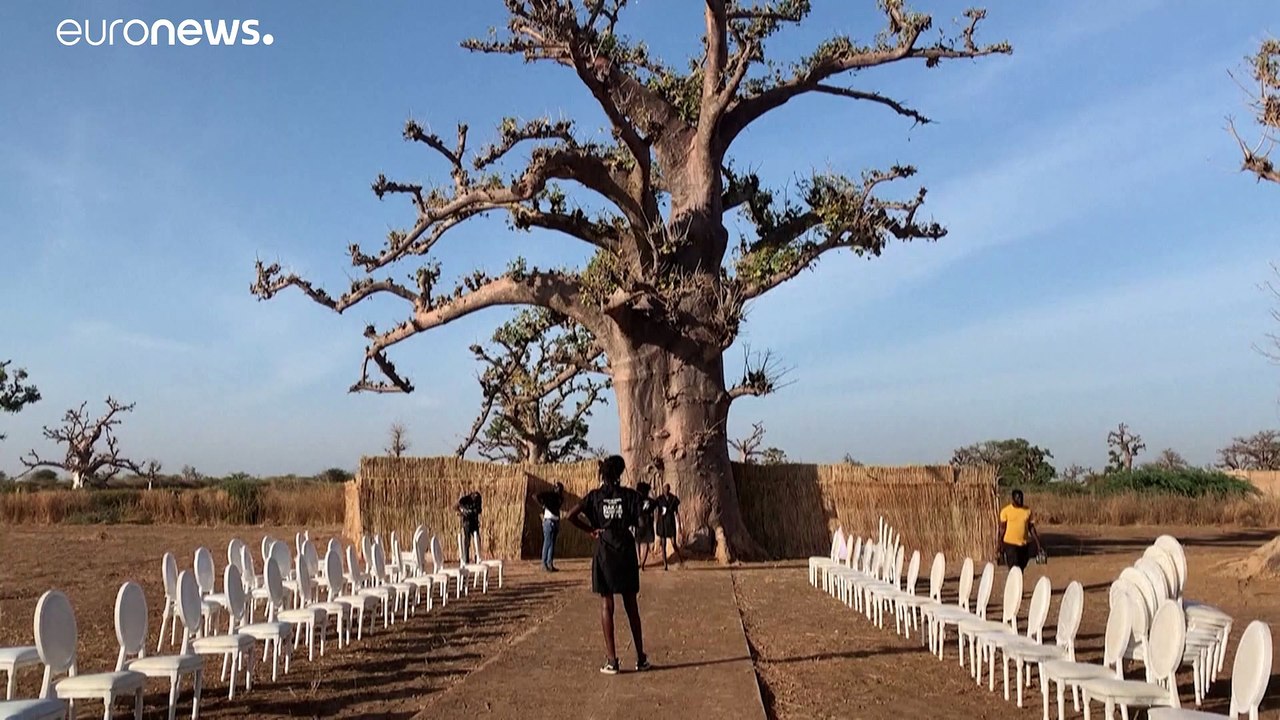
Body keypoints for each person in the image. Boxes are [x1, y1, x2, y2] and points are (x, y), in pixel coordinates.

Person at [567, 455, 649, 675]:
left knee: (607, 603)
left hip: (604, 551)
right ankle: (641, 658)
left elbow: (570, 516)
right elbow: (641, 523)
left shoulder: (594, 497)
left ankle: (612, 661)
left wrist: (591, 530)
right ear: (621, 473)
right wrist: (632, 524)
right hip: (625, 550)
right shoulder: (630, 496)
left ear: (603, 474)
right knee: (631, 604)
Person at [997, 488, 1043, 571]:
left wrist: (1038, 544)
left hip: (1023, 544)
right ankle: (1013, 583)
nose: (1020, 500)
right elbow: (1002, 529)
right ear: (1013, 499)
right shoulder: (1006, 511)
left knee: (1021, 567)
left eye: (1021, 497)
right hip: (1010, 543)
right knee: (1014, 568)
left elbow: (1031, 528)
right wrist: (1000, 543)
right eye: (1018, 498)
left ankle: (1018, 583)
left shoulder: (1027, 511)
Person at [536, 482, 565, 572]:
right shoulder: (549, 495)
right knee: (547, 542)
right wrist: (543, 505)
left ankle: (549, 563)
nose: (558, 491)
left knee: (552, 543)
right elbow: (536, 496)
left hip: (555, 520)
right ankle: (544, 564)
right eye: (557, 489)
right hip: (548, 521)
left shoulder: (560, 498)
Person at [654, 483, 684, 570]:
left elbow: (676, 513)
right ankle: (665, 564)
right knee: (663, 544)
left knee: (674, 543)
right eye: (664, 489)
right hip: (662, 523)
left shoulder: (673, 499)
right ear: (663, 489)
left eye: (667, 488)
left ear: (669, 489)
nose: (666, 490)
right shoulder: (659, 499)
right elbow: (655, 509)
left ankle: (680, 558)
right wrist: (656, 519)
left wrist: (680, 526)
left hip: (670, 523)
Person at [633, 482, 656, 571]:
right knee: (646, 543)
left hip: (638, 523)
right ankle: (642, 563)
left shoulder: (636, 500)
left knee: (637, 542)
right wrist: (651, 494)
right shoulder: (651, 501)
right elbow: (655, 502)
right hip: (648, 523)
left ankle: (639, 561)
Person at [457, 490, 482, 563]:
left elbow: (479, 510)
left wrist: (473, 511)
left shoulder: (478, 500)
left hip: (474, 523)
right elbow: (458, 506)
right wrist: (465, 511)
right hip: (467, 523)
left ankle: (477, 558)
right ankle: (466, 560)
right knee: (467, 542)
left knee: (477, 541)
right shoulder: (465, 499)